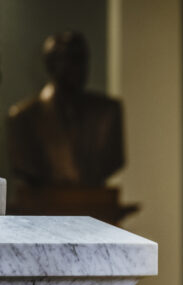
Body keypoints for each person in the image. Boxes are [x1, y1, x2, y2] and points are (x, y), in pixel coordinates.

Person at [8, 31, 124, 187]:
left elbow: (114, 159)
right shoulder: (23, 117)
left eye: (82, 59)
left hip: (97, 202)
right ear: (51, 65)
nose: (80, 67)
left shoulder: (108, 111)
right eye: (71, 60)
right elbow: (25, 167)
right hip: (45, 205)